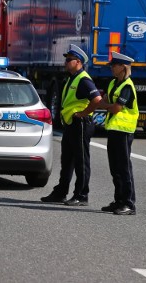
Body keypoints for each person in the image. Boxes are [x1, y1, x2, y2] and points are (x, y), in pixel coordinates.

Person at [41, 44, 101, 206]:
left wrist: (83, 113)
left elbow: (97, 100)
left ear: (79, 62)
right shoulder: (72, 78)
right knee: (67, 160)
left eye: (69, 60)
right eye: (66, 60)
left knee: (81, 161)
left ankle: (81, 195)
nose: (66, 63)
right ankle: (61, 192)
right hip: (71, 124)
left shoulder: (84, 80)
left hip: (80, 123)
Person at [99, 51, 139, 215]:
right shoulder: (113, 83)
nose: (111, 68)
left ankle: (129, 203)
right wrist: (108, 105)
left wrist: (108, 105)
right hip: (113, 130)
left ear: (123, 67)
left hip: (124, 132)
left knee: (124, 168)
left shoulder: (127, 86)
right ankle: (118, 200)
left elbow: (115, 107)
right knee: (115, 168)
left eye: (114, 65)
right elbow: (104, 102)